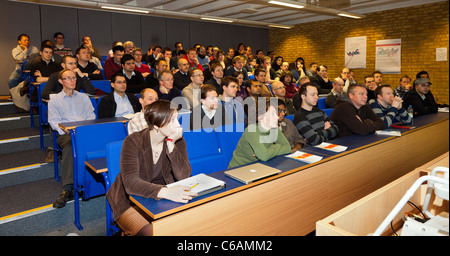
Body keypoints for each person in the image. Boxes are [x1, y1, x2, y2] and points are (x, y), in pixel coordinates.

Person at [106, 100, 195, 236]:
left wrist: (171, 146)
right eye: (172, 120)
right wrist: (166, 192)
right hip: (129, 200)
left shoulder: (177, 139)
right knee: (152, 232)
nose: (178, 125)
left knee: (191, 225)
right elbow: (130, 184)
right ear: (156, 124)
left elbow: (184, 176)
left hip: (161, 198)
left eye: (177, 119)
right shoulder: (133, 141)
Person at [48, 69, 96, 208]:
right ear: (61, 81)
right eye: (68, 78)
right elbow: (53, 122)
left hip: (85, 131)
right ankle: (68, 187)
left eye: (74, 78)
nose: (72, 80)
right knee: (71, 145)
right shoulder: (54, 101)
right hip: (66, 135)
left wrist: (83, 129)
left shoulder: (83, 97)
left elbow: (91, 116)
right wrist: (65, 129)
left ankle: (93, 182)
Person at [228, 99, 291, 168]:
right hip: (239, 169)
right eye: (272, 114)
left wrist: (267, 150)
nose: (277, 117)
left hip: (259, 166)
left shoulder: (274, 128)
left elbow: (287, 148)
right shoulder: (251, 131)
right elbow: (264, 156)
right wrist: (277, 146)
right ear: (260, 117)